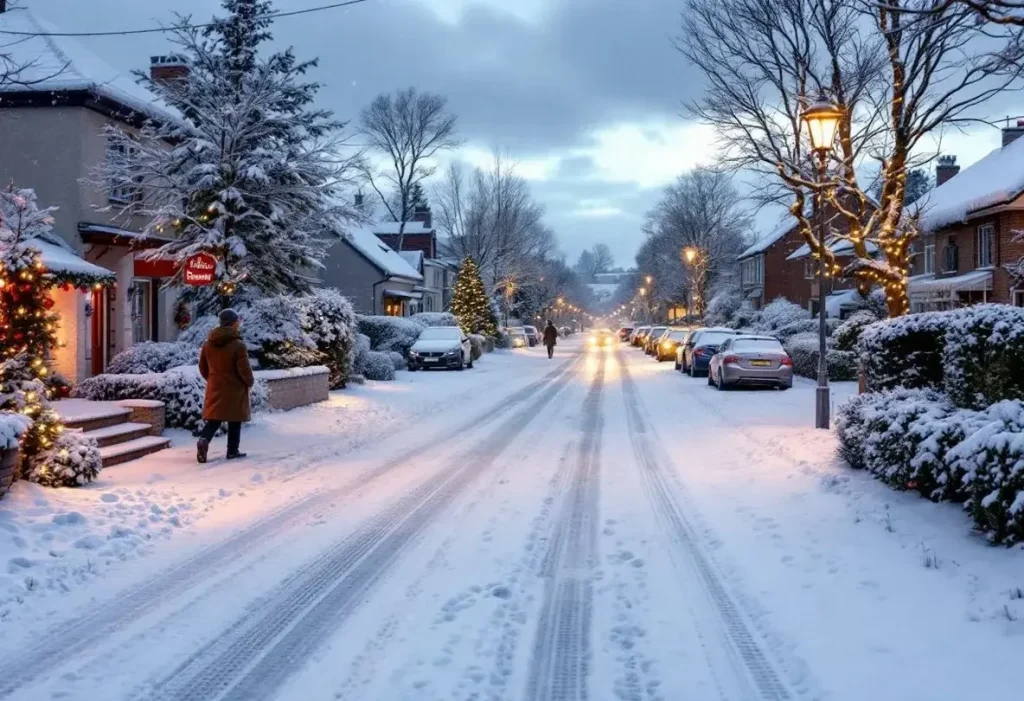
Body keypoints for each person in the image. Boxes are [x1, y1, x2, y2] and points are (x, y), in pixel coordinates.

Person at [196, 308, 254, 463]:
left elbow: (202, 367)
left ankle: (203, 440)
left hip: (215, 385)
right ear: (233, 323)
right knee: (235, 420)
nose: (239, 323)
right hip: (234, 387)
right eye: (237, 321)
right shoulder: (238, 345)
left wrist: (213, 378)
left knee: (215, 419)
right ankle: (232, 451)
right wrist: (249, 381)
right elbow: (244, 369)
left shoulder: (208, 344)